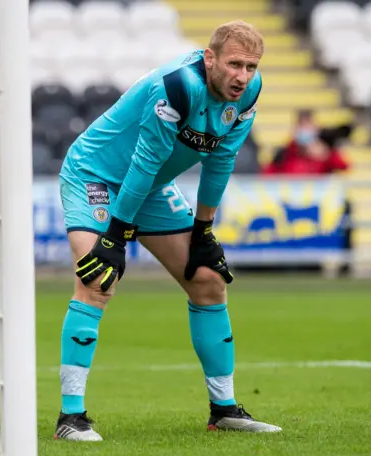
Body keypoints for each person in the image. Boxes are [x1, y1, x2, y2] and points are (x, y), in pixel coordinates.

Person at [54, 20, 282, 442]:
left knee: (209, 281)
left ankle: (224, 409)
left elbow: (221, 160)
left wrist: (204, 230)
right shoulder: (177, 87)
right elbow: (142, 163)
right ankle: (71, 417)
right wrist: (115, 236)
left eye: (251, 66)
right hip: (96, 176)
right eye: (234, 64)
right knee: (97, 280)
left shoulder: (249, 92)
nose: (243, 76)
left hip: (152, 184)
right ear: (209, 58)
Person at [263, 110, 350, 175]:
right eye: (302, 125)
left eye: (308, 125)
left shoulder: (325, 152)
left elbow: (345, 166)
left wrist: (327, 153)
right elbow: (267, 175)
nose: (305, 129)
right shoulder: (285, 153)